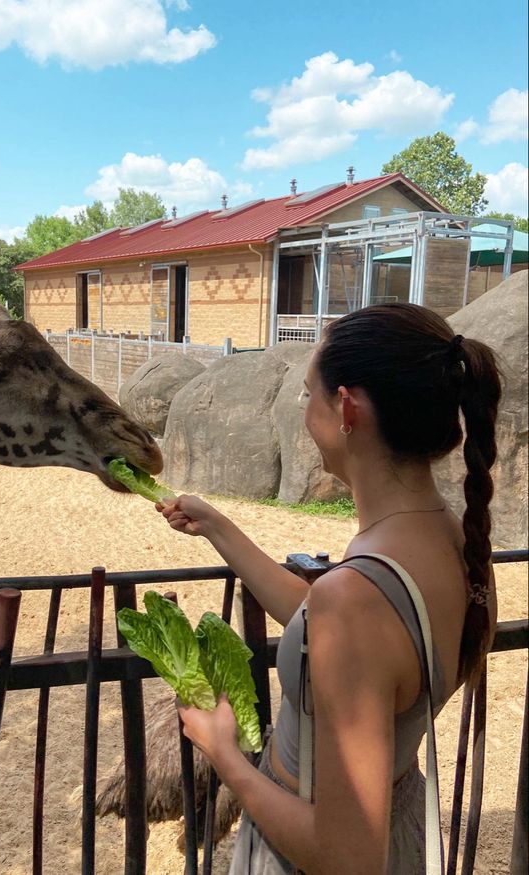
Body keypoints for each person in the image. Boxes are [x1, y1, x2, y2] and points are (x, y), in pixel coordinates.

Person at [156, 303, 501, 875]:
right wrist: (218, 527)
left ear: (346, 409)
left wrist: (225, 754)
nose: (303, 409)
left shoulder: (359, 598)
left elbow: (347, 859)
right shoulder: (454, 542)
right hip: (402, 823)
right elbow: (328, 633)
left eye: (307, 394)